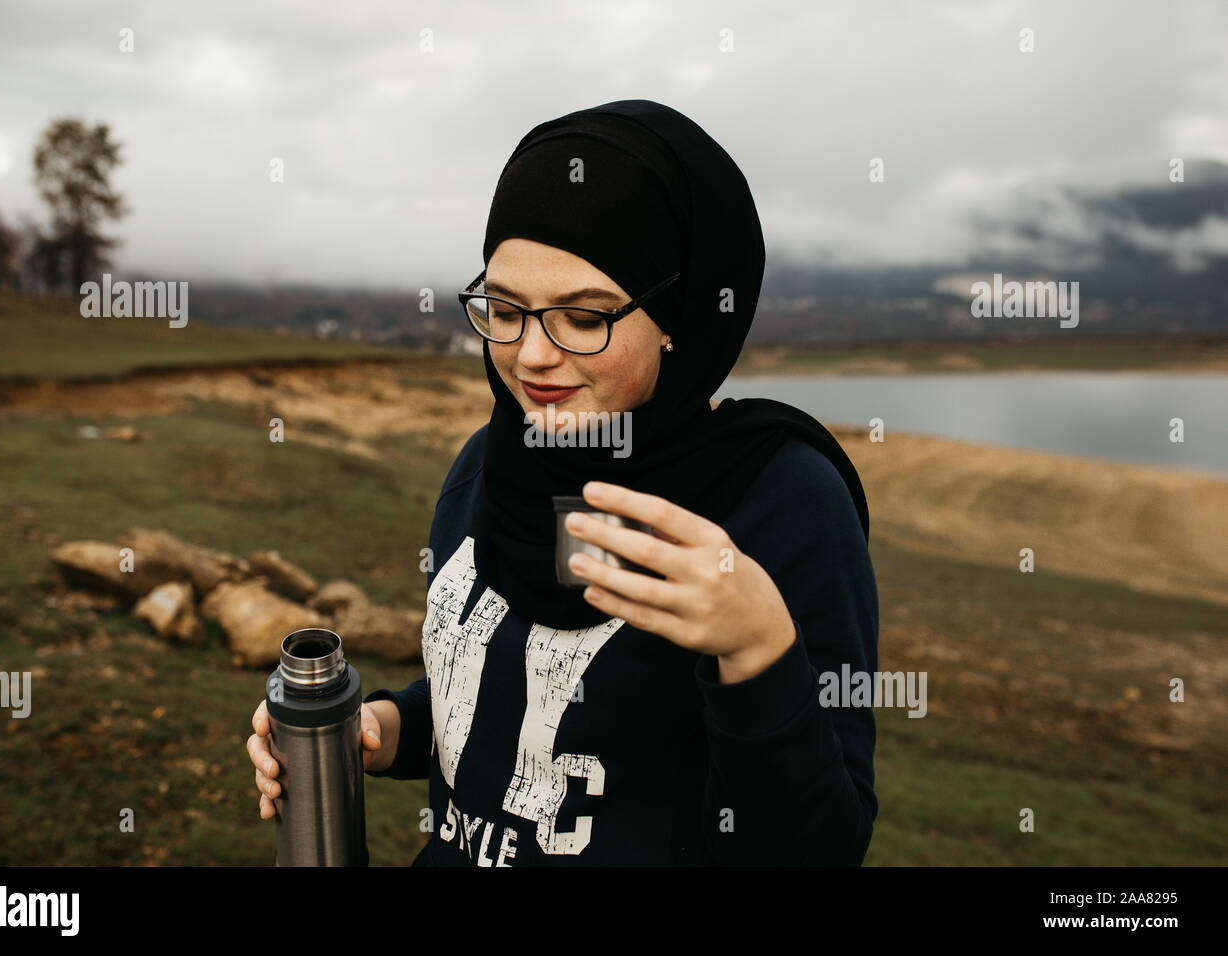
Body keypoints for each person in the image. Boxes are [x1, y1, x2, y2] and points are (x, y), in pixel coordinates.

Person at [247, 98, 879, 865]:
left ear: (682, 315)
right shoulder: (494, 460)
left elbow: (819, 849)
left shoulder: (784, 503)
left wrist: (757, 652)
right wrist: (382, 730)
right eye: (505, 308)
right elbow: (489, 690)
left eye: (584, 318)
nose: (532, 356)